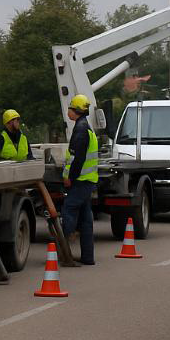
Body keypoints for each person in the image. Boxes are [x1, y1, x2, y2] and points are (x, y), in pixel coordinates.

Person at [61, 94, 99, 265]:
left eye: (69, 108)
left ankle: (65, 252)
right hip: (87, 180)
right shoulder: (85, 127)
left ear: (75, 110)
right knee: (85, 219)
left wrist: (70, 177)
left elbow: (78, 158)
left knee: (68, 209)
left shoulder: (81, 129)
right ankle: (87, 257)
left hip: (81, 180)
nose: (68, 111)